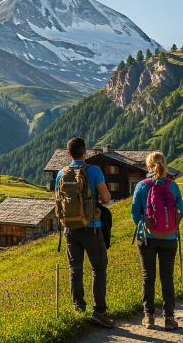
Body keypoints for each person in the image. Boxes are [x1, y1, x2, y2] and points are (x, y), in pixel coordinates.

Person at [55, 137, 115, 328]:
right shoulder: (94, 171)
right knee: (98, 268)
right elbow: (106, 198)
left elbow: (58, 200)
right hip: (91, 227)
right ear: (85, 152)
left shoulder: (61, 173)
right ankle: (99, 312)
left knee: (75, 269)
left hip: (69, 229)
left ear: (68, 153)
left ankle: (78, 310)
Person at [131, 151, 183, 331]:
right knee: (167, 277)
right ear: (164, 165)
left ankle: (149, 317)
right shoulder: (172, 185)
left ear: (148, 167)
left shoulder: (141, 185)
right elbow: (181, 211)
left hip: (146, 238)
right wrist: (169, 227)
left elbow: (135, 213)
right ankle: (169, 318)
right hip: (169, 237)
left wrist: (144, 226)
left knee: (148, 276)